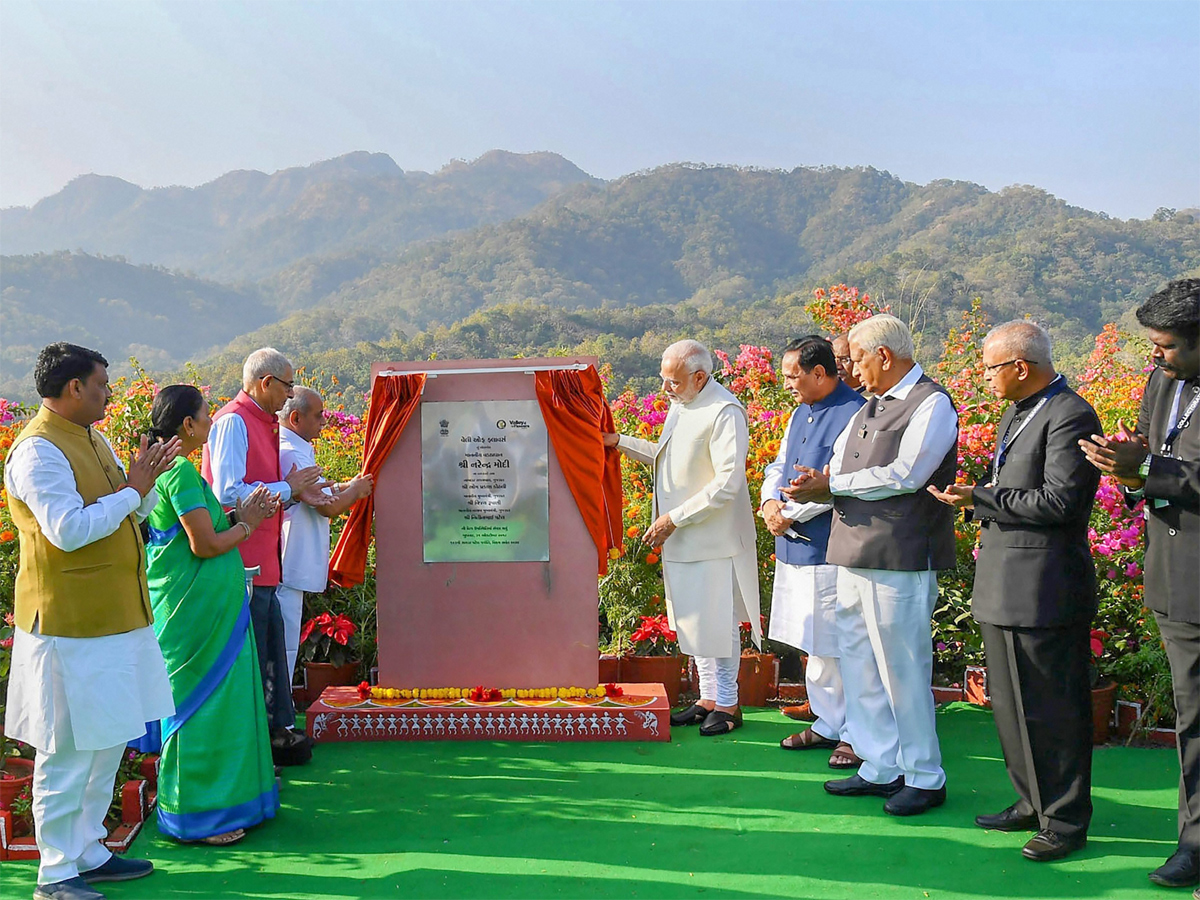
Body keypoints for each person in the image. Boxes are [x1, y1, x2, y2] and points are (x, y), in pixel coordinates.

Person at [4, 343, 179, 900]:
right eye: (102, 384)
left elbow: (130, 511)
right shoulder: (37, 452)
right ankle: (55, 874)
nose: (108, 393)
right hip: (68, 626)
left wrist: (146, 484)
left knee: (108, 737)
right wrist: (132, 489)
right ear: (74, 387)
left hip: (117, 619)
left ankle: (88, 851)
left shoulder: (92, 439)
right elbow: (69, 530)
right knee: (67, 748)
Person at [930, 321, 1101, 862]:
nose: (984, 378)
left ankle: (1066, 820)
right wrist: (980, 496)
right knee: (1010, 704)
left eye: (990, 367)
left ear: (1020, 367)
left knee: (1053, 708)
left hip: (1045, 587)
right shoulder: (1019, 411)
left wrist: (980, 497)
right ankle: (1031, 801)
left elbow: (1060, 503)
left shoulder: (1070, 414)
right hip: (1004, 582)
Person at [785, 314, 957, 816]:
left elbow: (908, 474)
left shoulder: (932, 403)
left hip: (901, 557)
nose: (851, 370)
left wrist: (832, 484)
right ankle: (880, 765)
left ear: (884, 355)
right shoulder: (870, 406)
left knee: (902, 668)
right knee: (859, 661)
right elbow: (837, 466)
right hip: (851, 552)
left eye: (856, 359)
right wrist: (813, 484)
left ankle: (924, 775)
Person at [1080, 279, 1200, 889]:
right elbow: (1155, 460)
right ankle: (1195, 843)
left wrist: (1150, 467)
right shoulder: (1162, 381)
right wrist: (1128, 472)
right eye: (1152, 345)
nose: (1156, 356)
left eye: (1169, 346)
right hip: (1179, 583)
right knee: (1194, 716)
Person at [145, 385, 282, 846]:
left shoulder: (176, 470)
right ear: (187, 425)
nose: (211, 422)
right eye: (206, 416)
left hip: (208, 613)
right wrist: (248, 525)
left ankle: (224, 802)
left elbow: (201, 532)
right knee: (200, 712)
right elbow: (203, 544)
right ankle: (197, 816)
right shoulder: (180, 471)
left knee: (218, 707)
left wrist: (236, 516)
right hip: (197, 618)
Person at [602, 339, 761, 736]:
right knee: (694, 620)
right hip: (683, 537)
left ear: (700, 377)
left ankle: (728, 702)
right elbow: (665, 455)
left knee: (718, 621)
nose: (664, 389)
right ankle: (707, 697)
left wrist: (675, 517)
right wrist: (619, 442)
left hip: (712, 537)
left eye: (671, 382)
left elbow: (728, 482)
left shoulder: (724, 411)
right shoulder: (684, 404)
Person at [201, 347, 322, 763]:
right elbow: (227, 494)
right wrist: (289, 489)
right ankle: (250, 749)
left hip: (262, 561)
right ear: (266, 382)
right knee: (250, 659)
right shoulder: (234, 421)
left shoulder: (262, 423)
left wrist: (287, 489)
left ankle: (272, 739)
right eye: (287, 387)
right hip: (242, 561)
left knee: (268, 656)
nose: (289, 398)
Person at [761, 336, 865, 767]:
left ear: (819, 373)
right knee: (813, 640)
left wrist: (790, 514)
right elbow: (778, 465)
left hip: (828, 545)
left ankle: (856, 733)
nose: (786, 383)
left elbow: (842, 480)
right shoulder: (799, 411)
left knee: (841, 643)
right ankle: (827, 721)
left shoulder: (854, 412)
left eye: (792, 375)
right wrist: (769, 503)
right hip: (792, 545)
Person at [278, 386, 374, 682]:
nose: (324, 421)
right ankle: (279, 712)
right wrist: (356, 492)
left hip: (295, 559)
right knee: (285, 644)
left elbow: (322, 490)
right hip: (289, 559)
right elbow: (326, 507)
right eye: (318, 416)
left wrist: (347, 486)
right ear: (296, 418)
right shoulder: (290, 452)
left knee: (289, 640)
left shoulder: (296, 448)